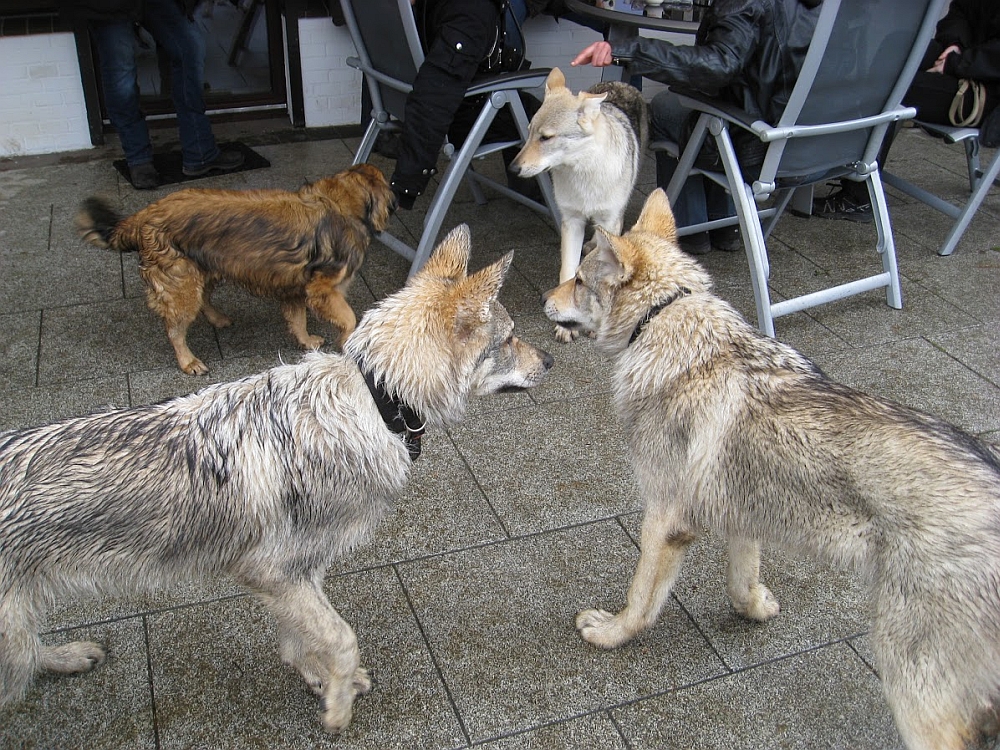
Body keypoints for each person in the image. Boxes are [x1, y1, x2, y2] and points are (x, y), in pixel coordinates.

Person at [571, 0, 822, 254]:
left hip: (758, 145)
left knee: (666, 108)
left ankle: (690, 227)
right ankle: (728, 225)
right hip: (818, 141)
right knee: (713, 109)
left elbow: (717, 65)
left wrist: (630, 50)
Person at [814, 0, 1000, 223]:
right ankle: (854, 163)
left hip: (988, 94)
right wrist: (953, 44)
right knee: (897, 44)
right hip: (966, 59)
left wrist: (955, 63)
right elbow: (960, 10)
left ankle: (860, 193)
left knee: (890, 86)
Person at [387, 0, 567, 209]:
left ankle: (531, 191)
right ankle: (558, 202)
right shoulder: (472, 10)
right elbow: (436, 90)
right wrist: (405, 184)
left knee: (520, 102)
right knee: (546, 119)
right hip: (464, 117)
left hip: (438, 103)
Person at [60, 0, 245, 190]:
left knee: (189, 47)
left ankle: (200, 150)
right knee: (120, 71)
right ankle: (138, 158)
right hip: (106, 6)